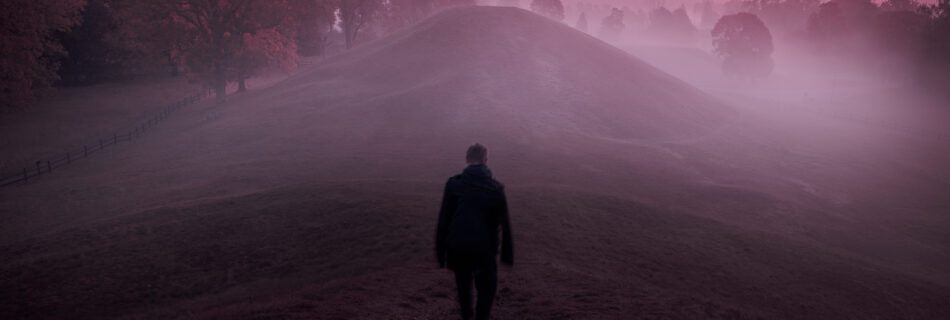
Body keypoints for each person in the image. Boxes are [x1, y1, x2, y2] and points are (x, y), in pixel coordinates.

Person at [435, 143, 514, 320]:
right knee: (486, 291)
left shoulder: (454, 184)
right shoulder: (495, 188)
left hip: (458, 247)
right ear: (486, 160)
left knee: (464, 292)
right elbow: (505, 223)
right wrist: (506, 255)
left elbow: (444, 219)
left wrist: (441, 252)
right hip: (484, 250)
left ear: (466, 159)